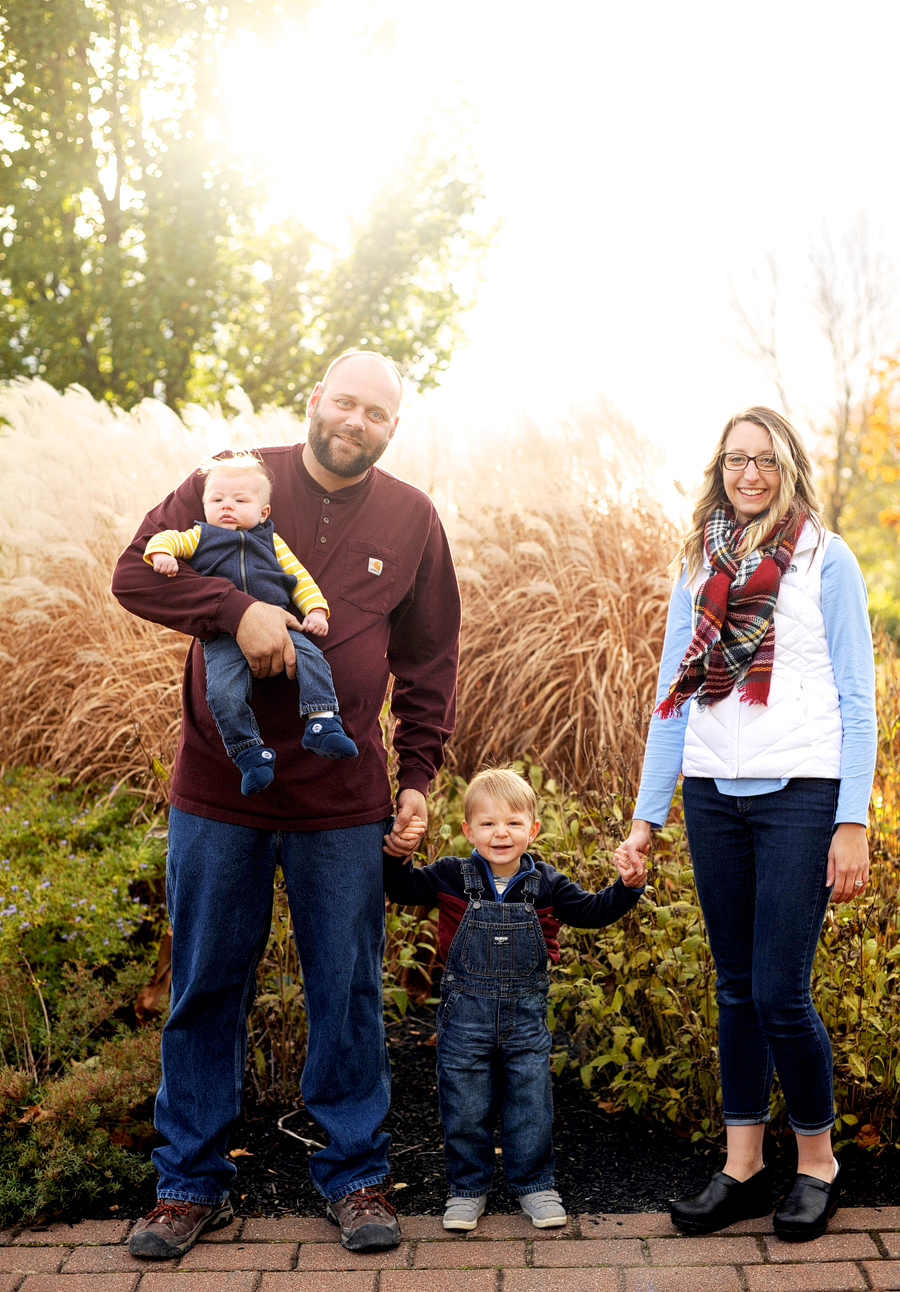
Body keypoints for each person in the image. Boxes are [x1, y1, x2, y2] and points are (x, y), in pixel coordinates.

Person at [111, 350, 461, 1258]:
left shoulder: (413, 517)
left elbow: (427, 661)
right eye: (344, 402)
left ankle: (355, 1175)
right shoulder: (228, 479)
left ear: (393, 426)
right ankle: (189, 1184)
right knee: (205, 986)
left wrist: (417, 777)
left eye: (375, 413)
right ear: (315, 401)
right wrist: (235, 610)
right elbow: (134, 575)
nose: (355, 422)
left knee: (346, 991)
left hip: (344, 800)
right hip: (219, 792)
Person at [615, 407, 876, 1243]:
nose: (750, 474)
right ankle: (743, 1167)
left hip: (801, 790)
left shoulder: (825, 560)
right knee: (733, 989)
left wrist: (852, 820)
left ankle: (817, 1164)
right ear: (719, 470)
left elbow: (859, 701)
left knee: (778, 991)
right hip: (714, 794)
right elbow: (672, 692)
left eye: (765, 460)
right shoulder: (699, 564)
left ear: (788, 464)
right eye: (736, 461)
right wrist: (646, 818)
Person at [383, 766, 646, 1233]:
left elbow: (591, 912)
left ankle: (534, 1184)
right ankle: (468, 1189)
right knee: (464, 1105)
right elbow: (400, 887)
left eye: (513, 823)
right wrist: (395, 850)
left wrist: (627, 887)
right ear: (468, 830)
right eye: (487, 824)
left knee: (530, 1103)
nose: (500, 833)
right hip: (465, 1016)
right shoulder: (449, 876)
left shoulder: (548, 883)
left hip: (525, 1018)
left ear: (533, 829)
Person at [144, 453, 358, 795]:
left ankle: (322, 721)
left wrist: (316, 611)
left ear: (263, 512)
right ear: (204, 507)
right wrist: (162, 555)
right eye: (217, 500)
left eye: (240, 500)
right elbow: (166, 538)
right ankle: (249, 752)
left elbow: (298, 577)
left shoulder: (271, 540)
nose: (227, 506)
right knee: (222, 692)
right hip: (221, 636)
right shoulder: (200, 536)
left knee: (313, 659)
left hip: (281, 623)